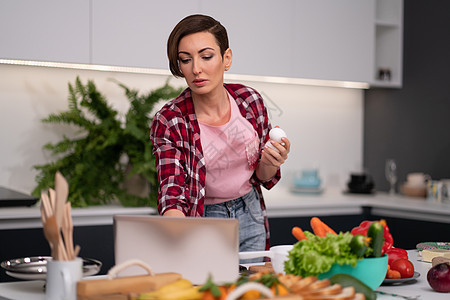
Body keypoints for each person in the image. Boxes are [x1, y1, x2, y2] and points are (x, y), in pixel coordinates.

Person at [150, 14, 290, 253]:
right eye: (185, 60)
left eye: (206, 56)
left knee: (251, 289)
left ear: (227, 58)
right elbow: (171, 190)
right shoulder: (170, 120)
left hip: (250, 212)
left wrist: (270, 161)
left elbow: (262, 176)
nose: (196, 69)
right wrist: (176, 236)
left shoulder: (250, 101)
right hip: (203, 217)